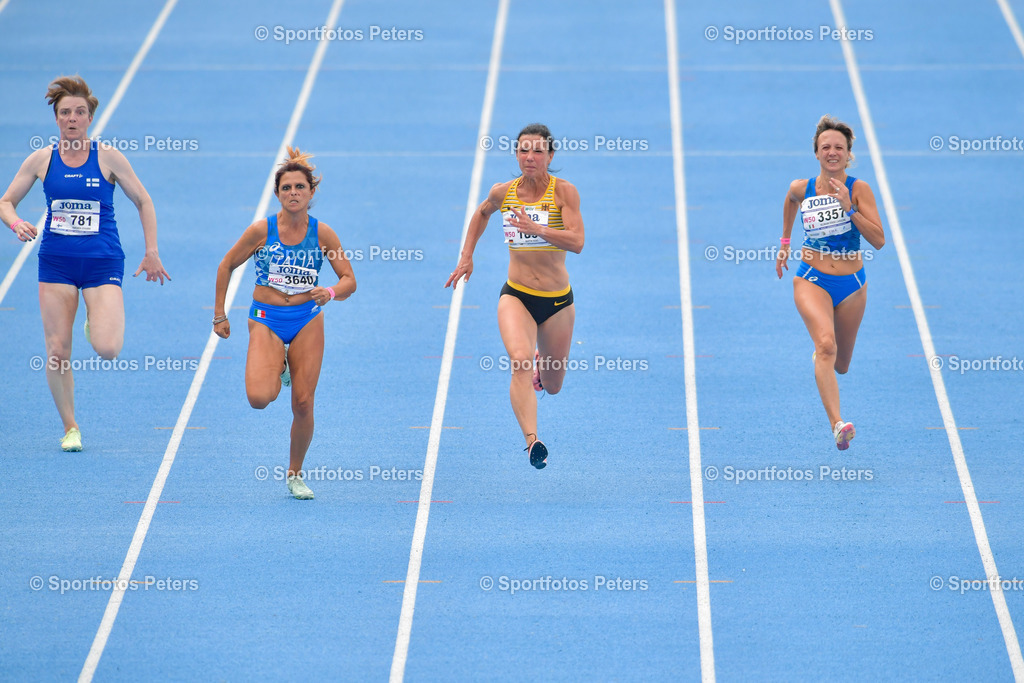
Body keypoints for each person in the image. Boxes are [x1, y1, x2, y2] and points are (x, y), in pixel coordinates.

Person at [0, 75, 170, 452]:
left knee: (108, 349)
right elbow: (5, 201)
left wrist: (152, 250)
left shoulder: (108, 157)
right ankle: (70, 426)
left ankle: (96, 316)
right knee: (58, 350)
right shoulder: (41, 160)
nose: (72, 119)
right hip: (56, 264)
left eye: (79, 112)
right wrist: (16, 223)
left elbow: (143, 200)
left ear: (90, 117)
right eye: (65, 113)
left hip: (101, 261)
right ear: (56, 119)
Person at [213, 147, 355, 500]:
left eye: (300, 187)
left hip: (306, 319)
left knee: (303, 403)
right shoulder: (262, 230)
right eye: (286, 187)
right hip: (266, 318)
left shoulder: (324, 235)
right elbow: (226, 265)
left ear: (311, 193)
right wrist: (220, 314)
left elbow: (350, 279)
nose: (293, 193)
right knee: (259, 398)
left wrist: (332, 292)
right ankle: (280, 367)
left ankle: (294, 473)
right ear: (277, 194)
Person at [446, 123, 584, 469]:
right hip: (517, 296)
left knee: (552, 386)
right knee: (519, 360)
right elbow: (481, 214)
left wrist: (537, 228)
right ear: (517, 155)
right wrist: (467, 255)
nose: (530, 157)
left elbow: (577, 242)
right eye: (524, 150)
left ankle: (543, 363)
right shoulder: (503, 192)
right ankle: (532, 441)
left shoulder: (564, 193)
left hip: (556, 303)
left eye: (538, 151)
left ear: (550, 156)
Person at [777, 115, 885, 450]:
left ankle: (825, 361)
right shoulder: (803, 187)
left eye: (839, 147)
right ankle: (838, 425)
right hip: (811, 277)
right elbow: (790, 200)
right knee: (825, 345)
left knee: (841, 364)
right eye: (826, 147)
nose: (832, 152)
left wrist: (849, 210)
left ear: (848, 153)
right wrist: (785, 243)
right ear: (817, 153)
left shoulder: (859, 189)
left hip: (852, 284)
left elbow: (879, 240)